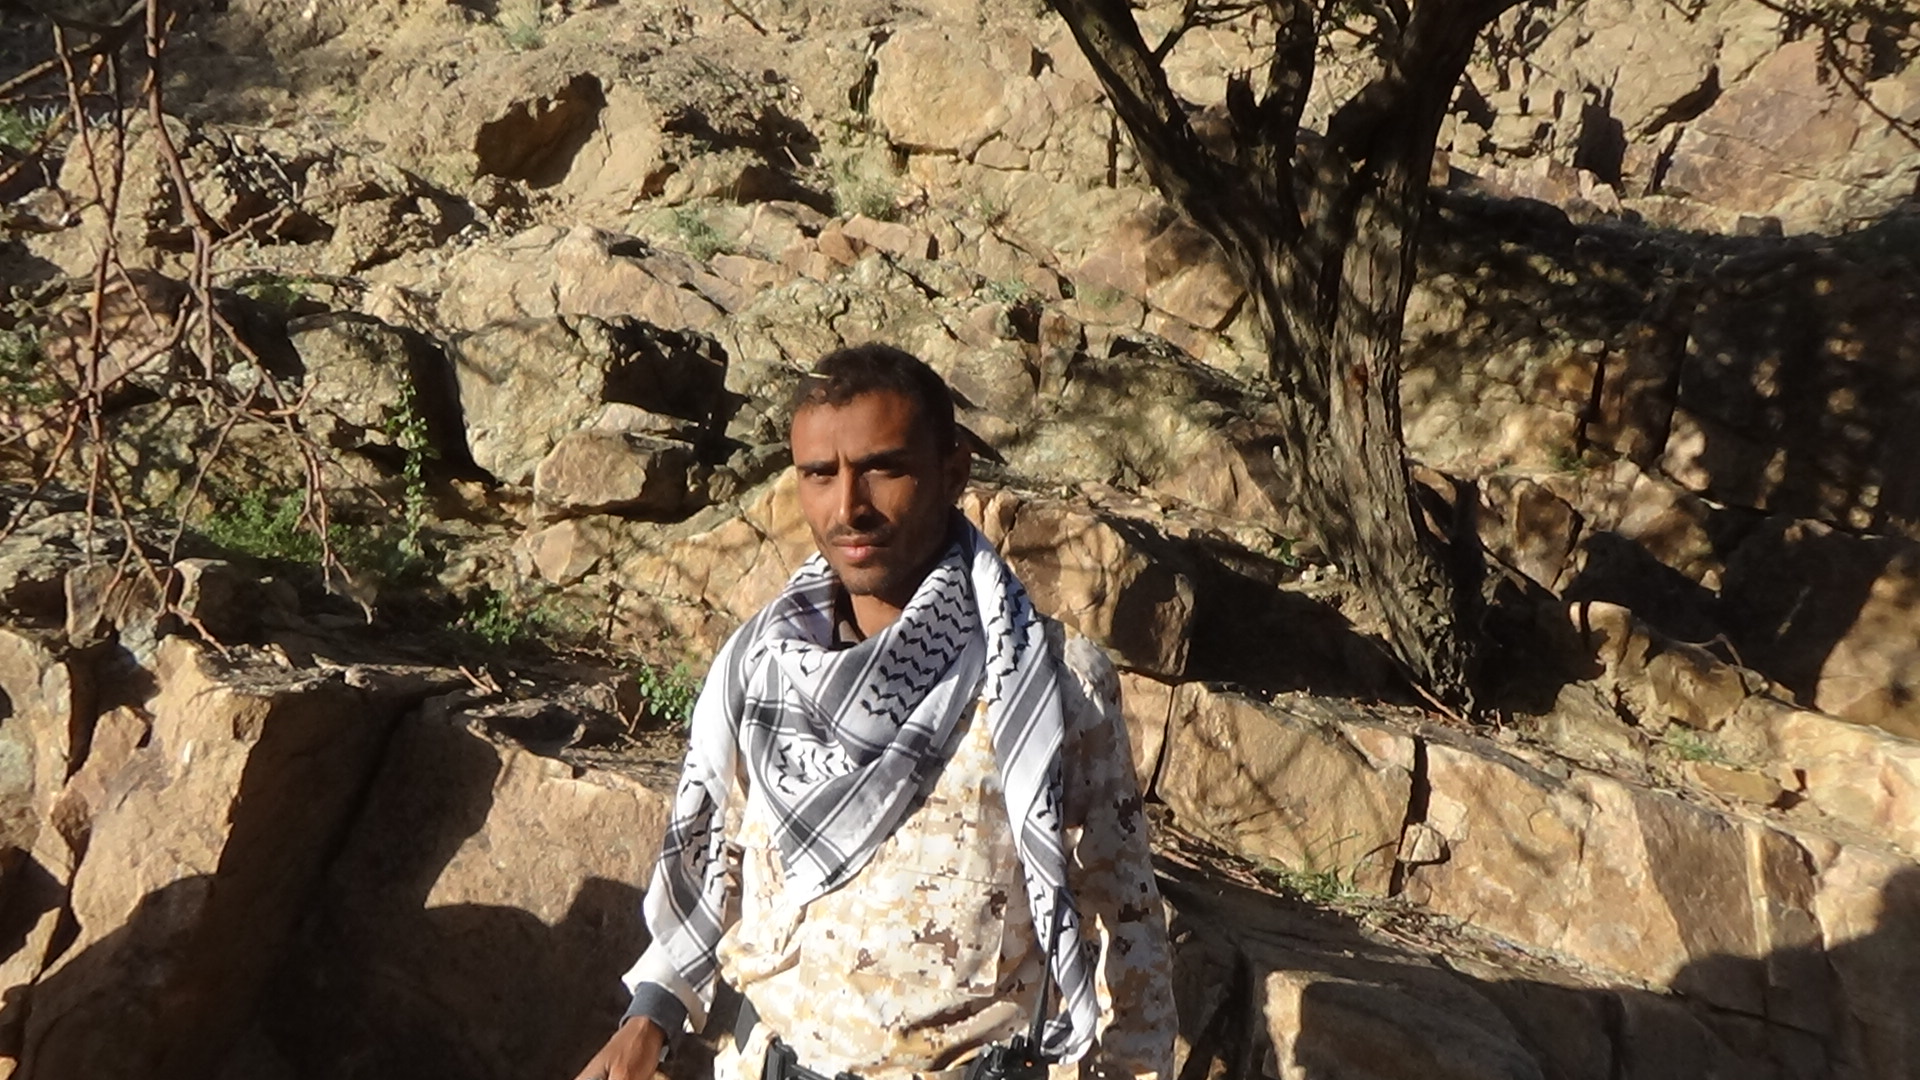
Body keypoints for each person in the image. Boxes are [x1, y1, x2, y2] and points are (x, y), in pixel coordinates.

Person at [576, 344, 1175, 1080]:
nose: (848, 508)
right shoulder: (761, 668)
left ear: (952, 473)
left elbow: (1126, 930)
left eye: (883, 468)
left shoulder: (1045, 681)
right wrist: (651, 1016)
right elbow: (715, 856)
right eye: (819, 475)